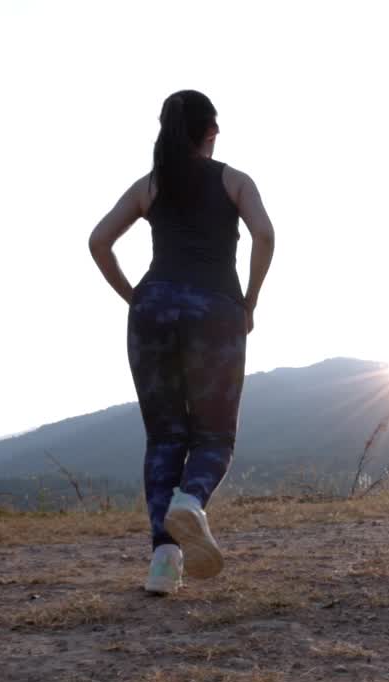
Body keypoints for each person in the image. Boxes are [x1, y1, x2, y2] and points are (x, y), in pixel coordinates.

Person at [87, 90, 275, 595]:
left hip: (154, 308)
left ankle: (164, 566)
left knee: (165, 437)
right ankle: (190, 501)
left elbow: (98, 241)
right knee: (214, 438)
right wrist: (250, 302)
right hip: (214, 308)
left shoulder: (151, 186)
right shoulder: (234, 180)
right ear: (210, 131)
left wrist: (135, 297)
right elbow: (265, 235)